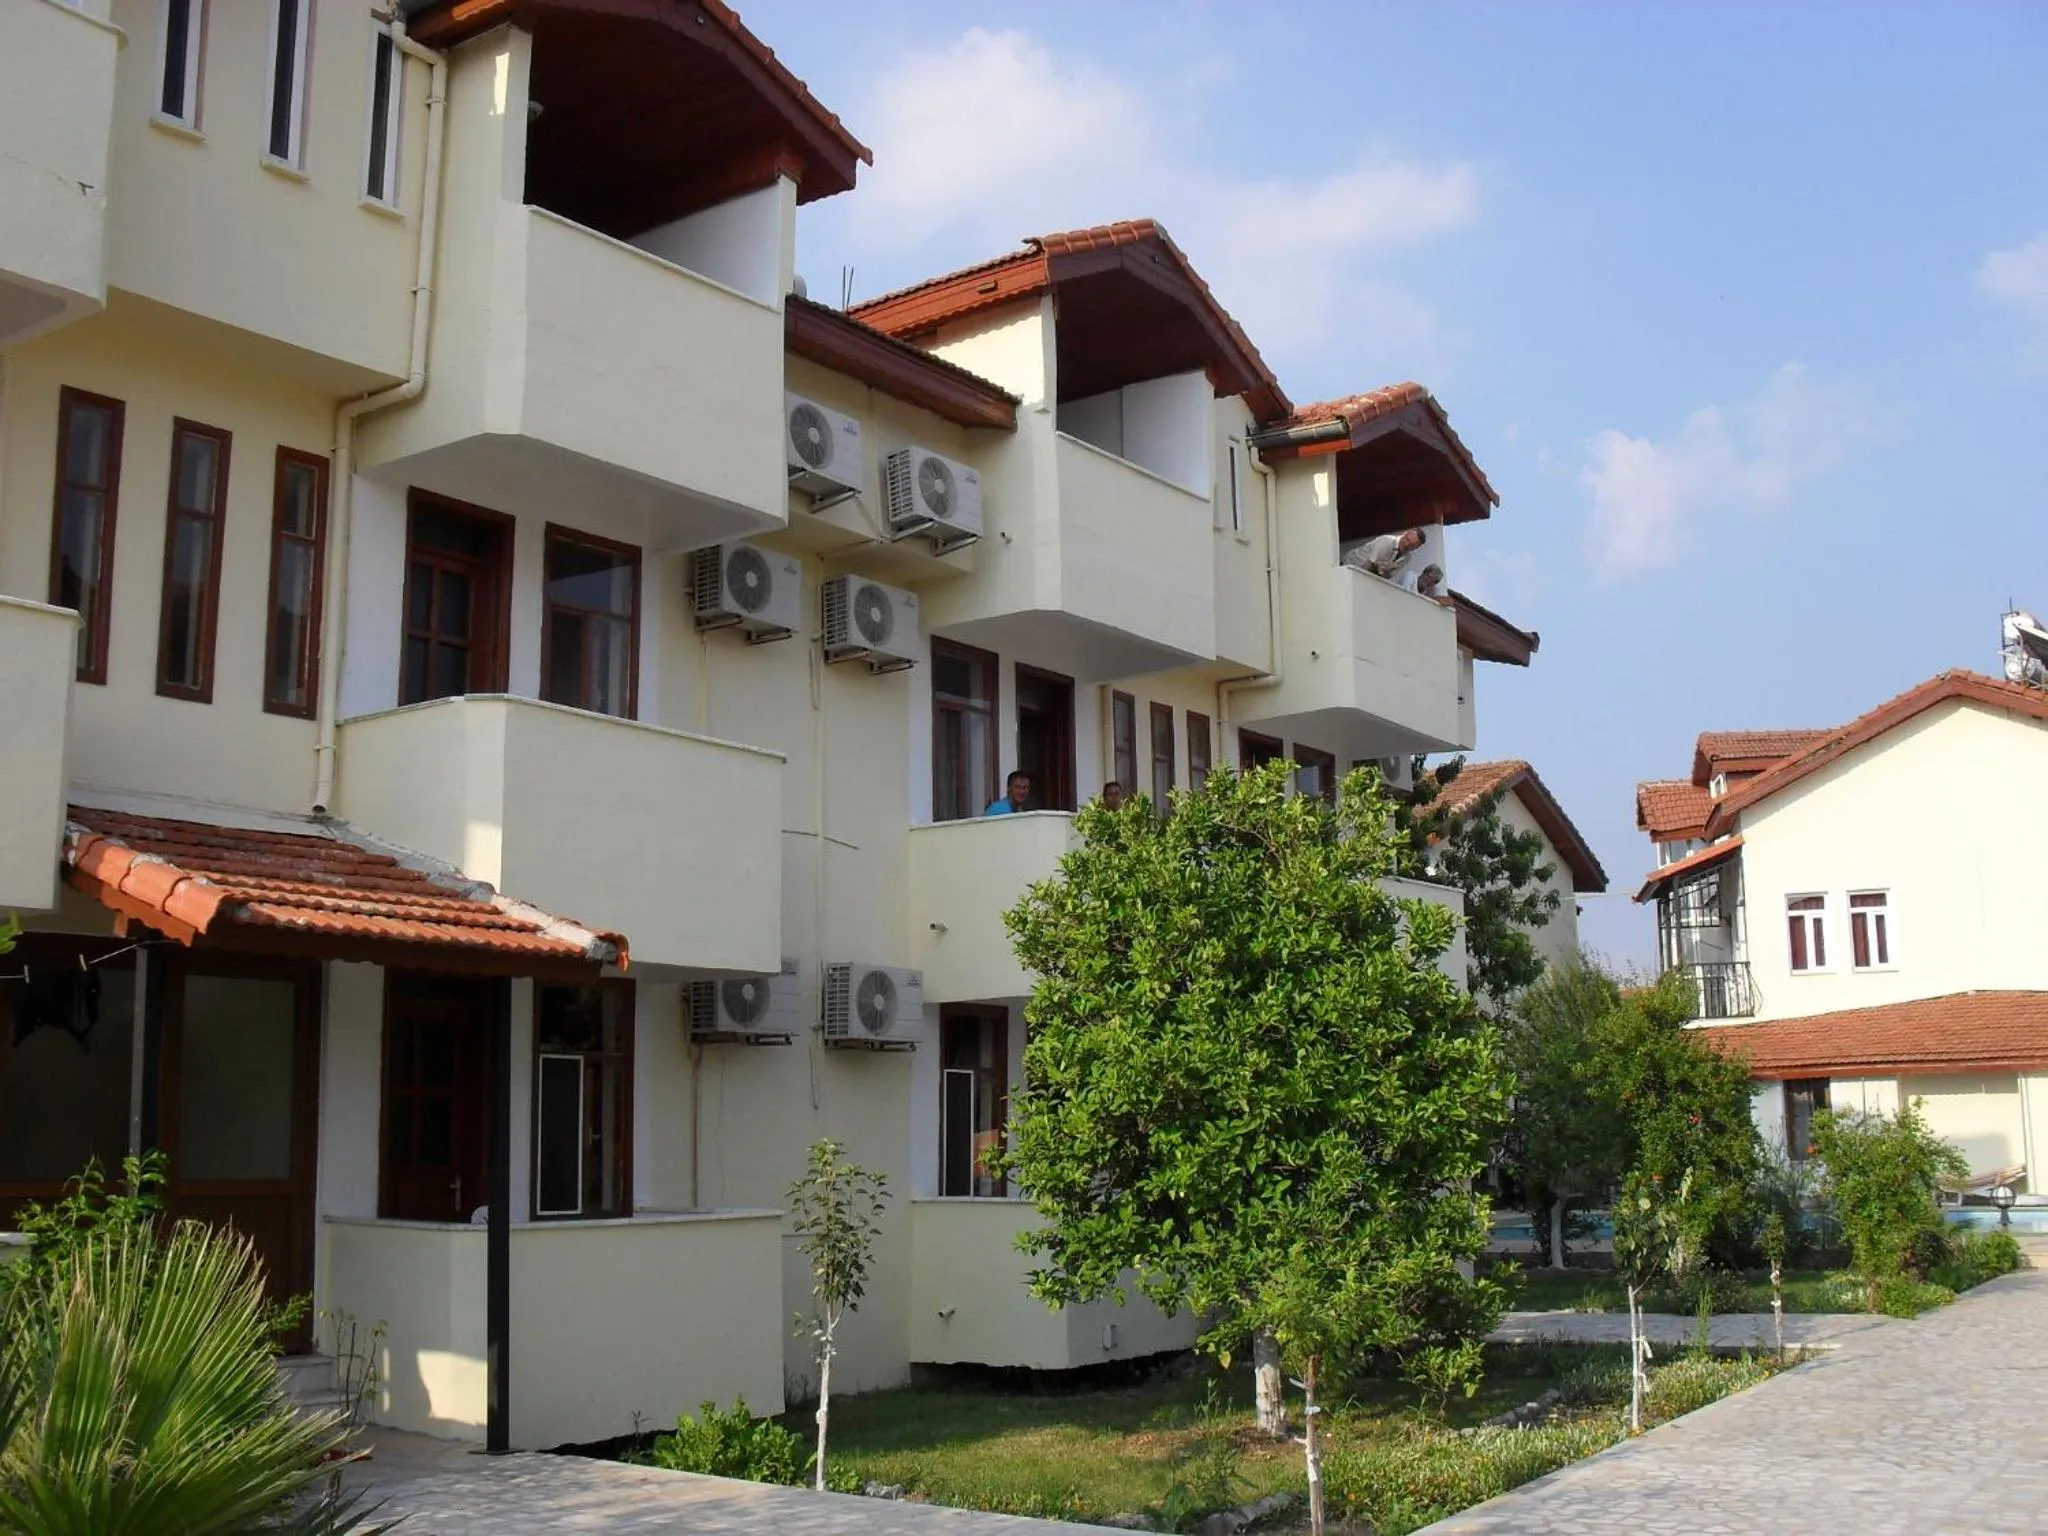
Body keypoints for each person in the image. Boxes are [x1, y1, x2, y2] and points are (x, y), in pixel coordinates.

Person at [1343, 527, 1426, 583]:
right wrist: (1380, 570)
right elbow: (1369, 565)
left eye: (1412, 545)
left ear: (1416, 548)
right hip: (1348, 565)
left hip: (1359, 575)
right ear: (1404, 534)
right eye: (1407, 539)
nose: (1407, 544)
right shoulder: (1387, 541)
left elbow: (1387, 576)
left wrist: (1384, 571)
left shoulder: (1406, 558)